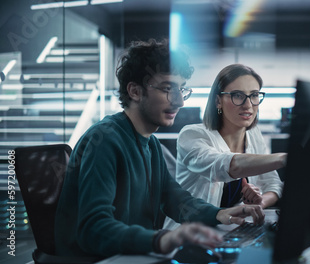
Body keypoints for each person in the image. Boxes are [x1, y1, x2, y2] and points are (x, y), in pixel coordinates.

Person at [54, 39, 264, 259]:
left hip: (130, 254)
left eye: (181, 89)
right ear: (135, 91)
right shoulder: (105, 140)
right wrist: (162, 239)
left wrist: (220, 214)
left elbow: (175, 199)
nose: (180, 101)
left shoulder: (151, 144)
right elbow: (92, 229)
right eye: (167, 89)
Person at [163, 64, 285, 229]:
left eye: (254, 95)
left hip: (227, 230)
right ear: (218, 101)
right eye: (237, 95)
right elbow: (224, 165)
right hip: (187, 234)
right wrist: (284, 158)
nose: (248, 104)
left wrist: (257, 204)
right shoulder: (191, 135)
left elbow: (273, 184)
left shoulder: (253, 134)